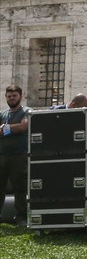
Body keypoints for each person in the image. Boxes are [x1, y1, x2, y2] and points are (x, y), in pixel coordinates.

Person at [1, 84, 32, 226]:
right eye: (9, 96)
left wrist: (5, 130)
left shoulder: (27, 111)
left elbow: (24, 126)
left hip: (19, 156)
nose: (11, 98)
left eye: (14, 96)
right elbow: (18, 128)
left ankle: (21, 217)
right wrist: (14, 129)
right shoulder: (3, 114)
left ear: (21, 96)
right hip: (2, 156)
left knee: (20, 187)